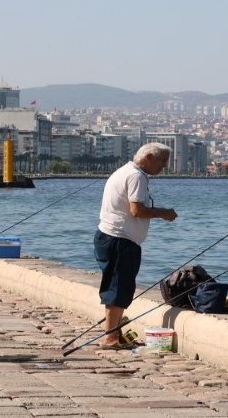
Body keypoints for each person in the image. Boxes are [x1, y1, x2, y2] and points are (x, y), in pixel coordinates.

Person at [94, 142, 178, 349]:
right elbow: (136, 210)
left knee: (115, 286)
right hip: (120, 241)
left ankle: (113, 332)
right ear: (148, 157)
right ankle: (110, 338)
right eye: (162, 161)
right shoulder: (137, 176)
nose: (164, 166)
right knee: (119, 288)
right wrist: (163, 213)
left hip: (110, 238)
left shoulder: (125, 171)